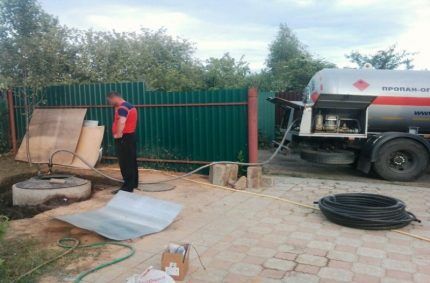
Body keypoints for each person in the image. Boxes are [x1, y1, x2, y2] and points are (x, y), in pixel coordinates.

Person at [107, 91, 138, 193]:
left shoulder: (122, 107)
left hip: (124, 138)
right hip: (130, 137)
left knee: (125, 163)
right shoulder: (129, 105)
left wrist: (119, 134)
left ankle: (127, 188)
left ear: (114, 98)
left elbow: (122, 121)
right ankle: (133, 183)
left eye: (110, 100)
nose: (109, 102)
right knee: (131, 161)